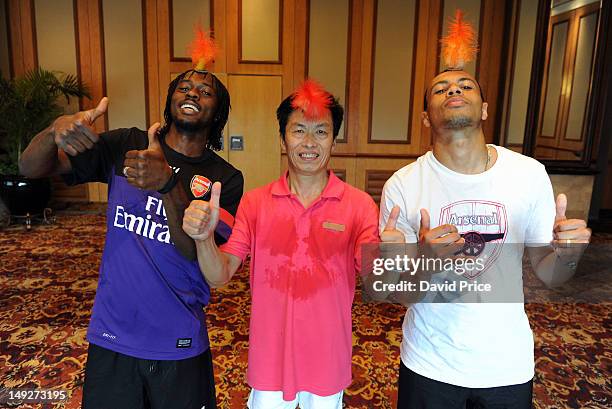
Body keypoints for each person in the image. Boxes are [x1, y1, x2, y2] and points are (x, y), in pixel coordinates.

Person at [19, 60, 243, 407]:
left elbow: (194, 255)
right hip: (113, 332)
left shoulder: (223, 178)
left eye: (205, 91)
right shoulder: (127, 143)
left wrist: (168, 184)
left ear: (218, 112)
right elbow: (30, 168)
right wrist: (53, 131)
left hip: (179, 339)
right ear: (170, 100)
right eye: (184, 87)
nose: (192, 93)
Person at [378, 66, 591, 408]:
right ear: (425, 117)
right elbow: (399, 294)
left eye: (465, 85)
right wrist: (427, 263)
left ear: (485, 108)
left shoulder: (528, 174)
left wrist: (569, 254)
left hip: (505, 365)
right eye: (440, 89)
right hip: (428, 363)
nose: (453, 91)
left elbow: (550, 274)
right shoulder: (402, 186)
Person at [182, 79, 381, 409]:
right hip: (270, 361)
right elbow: (220, 275)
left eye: (321, 131)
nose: (309, 142)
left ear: (334, 139)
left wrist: (392, 252)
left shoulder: (359, 205)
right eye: (298, 129)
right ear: (283, 138)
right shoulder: (256, 203)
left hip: (328, 360)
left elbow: (376, 280)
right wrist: (204, 240)